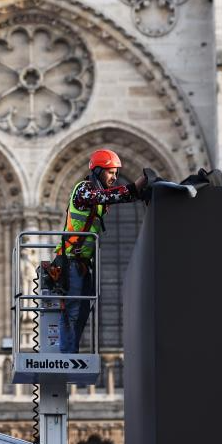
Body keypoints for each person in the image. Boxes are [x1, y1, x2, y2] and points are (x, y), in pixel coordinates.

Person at [54, 149, 147, 353]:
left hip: (83, 264)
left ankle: (71, 352)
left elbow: (109, 197)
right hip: (70, 261)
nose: (114, 177)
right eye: (110, 172)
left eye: (115, 173)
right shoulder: (84, 191)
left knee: (83, 310)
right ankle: (67, 355)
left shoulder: (98, 197)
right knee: (73, 310)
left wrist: (140, 193)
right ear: (97, 171)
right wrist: (133, 188)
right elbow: (106, 196)